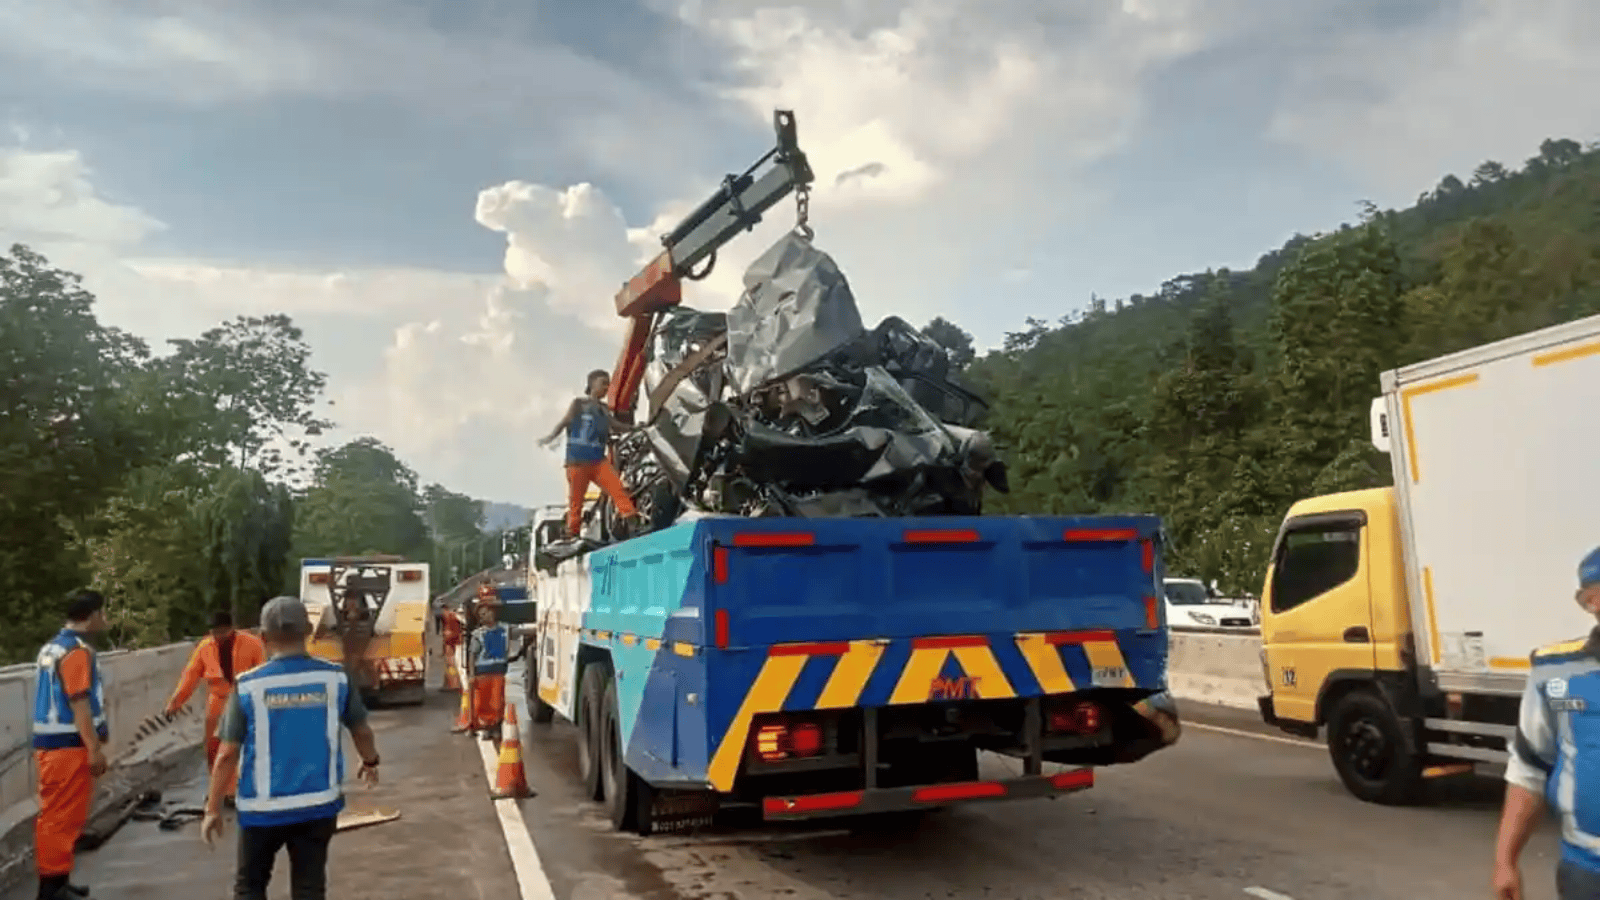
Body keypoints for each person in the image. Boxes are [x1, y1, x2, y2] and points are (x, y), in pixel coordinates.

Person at [202, 596, 380, 900]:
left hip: (261, 809)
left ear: (263, 637)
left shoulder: (247, 685)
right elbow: (361, 729)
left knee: (250, 887)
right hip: (317, 806)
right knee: (309, 887)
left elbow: (227, 753)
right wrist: (371, 761)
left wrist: (213, 808)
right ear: (308, 631)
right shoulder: (336, 678)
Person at [1494, 547, 1600, 899]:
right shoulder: (1556, 670)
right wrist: (1505, 860)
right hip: (1587, 873)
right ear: (1592, 601)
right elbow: (1529, 768)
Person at [31, 590, 110, 900]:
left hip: (53, 745)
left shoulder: (51, 648)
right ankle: (51, 888)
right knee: (60, 818)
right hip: (67, 747)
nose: (104, 619)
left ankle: (58, 880)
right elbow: (79, 701)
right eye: (102, 613)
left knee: (63, 815)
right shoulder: (76, 652)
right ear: (91, 616)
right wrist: (94, 748)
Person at [163, 611, 266, 793]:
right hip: (218, 701)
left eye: (222, 632)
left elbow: (263, 673)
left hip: (245, 699)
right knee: (214, 747)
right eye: (214, 632)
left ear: (231, 629)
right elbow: (190, 677)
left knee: (246, 745)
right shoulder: (205, 647)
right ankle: (222, 789)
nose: (218, 636)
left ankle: (245, 787)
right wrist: (175, 703)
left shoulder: (252, 644)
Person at [537, 368, 641, 537]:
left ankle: (631, 521)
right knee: (575, 502)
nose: (606, 388)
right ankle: (572, 533)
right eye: (603, 384)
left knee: (617, 489)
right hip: (577, 463)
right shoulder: (579, 404)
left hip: (597, 462)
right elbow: (564, 422)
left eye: (608, 385)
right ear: (592, 385)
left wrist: (634, 429)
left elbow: (615, 426)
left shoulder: (604, 409)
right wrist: (550, 437)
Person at [466, 599, 511, 739]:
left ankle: (496, 726)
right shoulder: (478, 634)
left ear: (493, 613)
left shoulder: (505, 629)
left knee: (497, 702)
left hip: (498, 672)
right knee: (483, 703)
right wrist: (472, 675)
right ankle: (486, 727)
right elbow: (472, 655)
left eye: (485, 613)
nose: (484, 616)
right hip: (482, 673)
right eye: (481, 615)